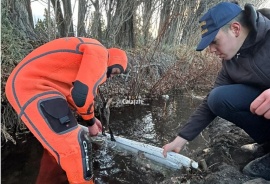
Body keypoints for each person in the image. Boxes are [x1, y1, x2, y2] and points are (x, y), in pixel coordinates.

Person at [162, 2, 270, 180]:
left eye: (214, 41)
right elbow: (209, 104)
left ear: (235, 29)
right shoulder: (231, 63)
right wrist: (181, 139)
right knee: (217, 98)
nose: (211, 50)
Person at [5, 37, 128, 184]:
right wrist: (90, 123)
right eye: (115, 72)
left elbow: (73, 93)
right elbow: (81, 96)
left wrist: (93, 119)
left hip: (36, 87)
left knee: (55, 150)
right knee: (76, 147)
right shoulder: (100, 53)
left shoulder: (86, 57)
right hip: (32, 87)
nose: (112, 76)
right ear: (114, 61)